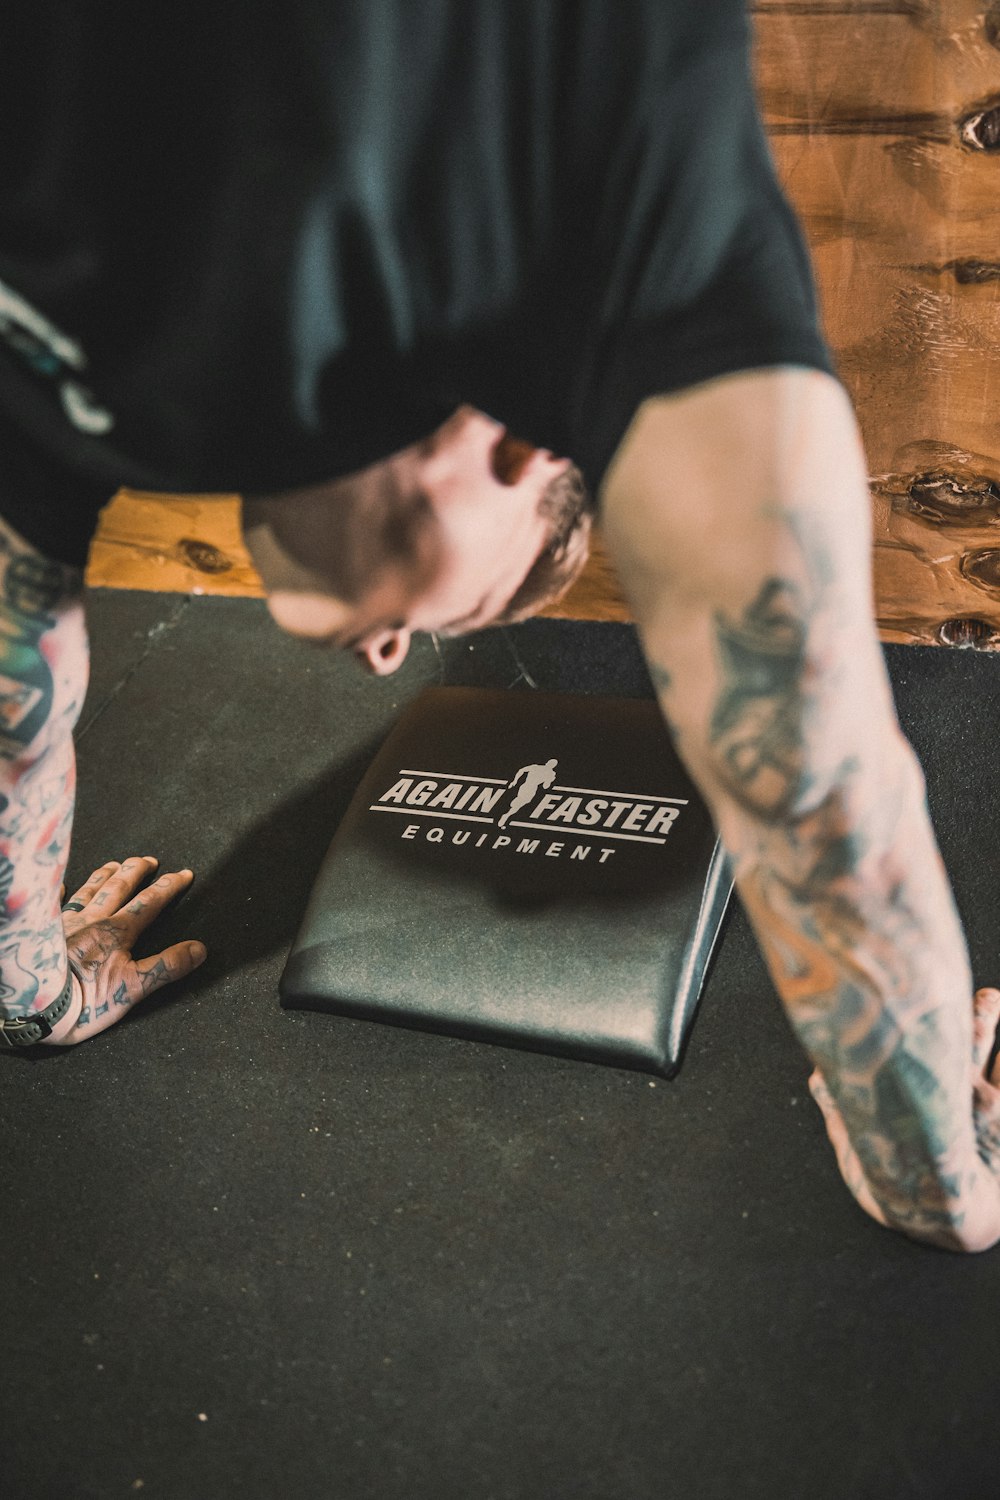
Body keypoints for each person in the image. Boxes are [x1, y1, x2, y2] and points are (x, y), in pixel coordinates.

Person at [3, 1, 1000, 1254]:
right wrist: (946, 1187)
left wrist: (38, 993)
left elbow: (12, 718)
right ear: (527, 447)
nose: (377, 654)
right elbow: (822, 791)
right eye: (464, 611)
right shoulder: (646, 237)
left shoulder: (75, 372)